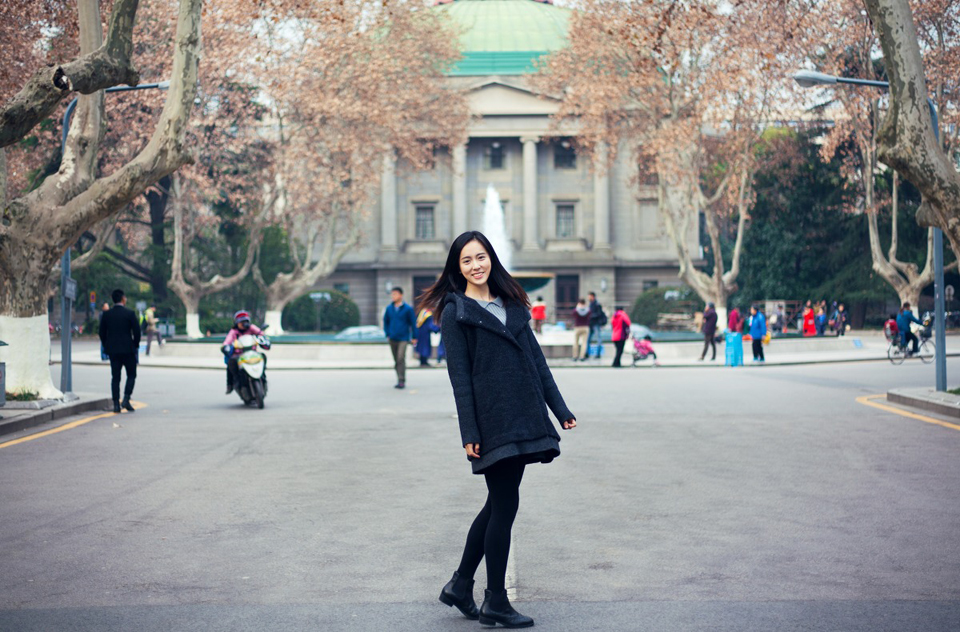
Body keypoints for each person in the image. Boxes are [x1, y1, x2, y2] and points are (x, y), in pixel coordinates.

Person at [421, 230, 576, 628]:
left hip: (523, 416)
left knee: (498, 504)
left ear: (491, 258)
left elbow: (537, 363)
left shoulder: (512, 303)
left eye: (481, 257)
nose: (476, 265)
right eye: (466, 261)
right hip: (492, 422)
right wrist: (469, 432)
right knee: (505, 506)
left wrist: (560, 410)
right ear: (457, 269)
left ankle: (460, 585)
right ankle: (495, 601)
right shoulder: (456, 313)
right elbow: (460, 379)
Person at [98, 289, 141, 413]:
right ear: (123, 299)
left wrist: (107, 345)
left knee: (115, 377)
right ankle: (126, 398)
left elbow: (102, 333)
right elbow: (137, 332)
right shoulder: (130, 313)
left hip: (113, 351)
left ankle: (116, 404)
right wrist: (135, 345)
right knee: (131, 374)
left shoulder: (107, 315)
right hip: (128, 349)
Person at [222, 310, 264, 394]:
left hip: (252, 354)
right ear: (236, 323)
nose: (244, 324)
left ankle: (263, 377)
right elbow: (227, 342)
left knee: (263, 356)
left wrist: (263, 339)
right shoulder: (233, 332)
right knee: (231, 362)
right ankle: (230, 384)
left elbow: (261, 334)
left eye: (245, 321)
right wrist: (226, 347)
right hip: (239, 355)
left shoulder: (252, 328)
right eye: (241, 322)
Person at [383, 287, 416, 389]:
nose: (393, 296)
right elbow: (385, 322)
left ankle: (401, 380)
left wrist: (414, 336)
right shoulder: (389, 308)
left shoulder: (408, 309)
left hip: (403, 338)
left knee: (400, 357)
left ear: (401, 295)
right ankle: (398, 378)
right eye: (392, 294)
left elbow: (413, 323)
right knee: (396, 360)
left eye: (395, 294)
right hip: (392, 338)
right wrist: (387, 334)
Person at [587, 291, 606, 359]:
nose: (588, 297)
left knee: (598, 339)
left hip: (596, 324)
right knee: (588, 339)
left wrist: (590, 316)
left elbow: (599, 314)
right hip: (591, 324)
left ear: (592, 296)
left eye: (589, 296)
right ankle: (587, 353)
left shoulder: (597, 304)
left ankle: (598, 354)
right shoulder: (591, 304)